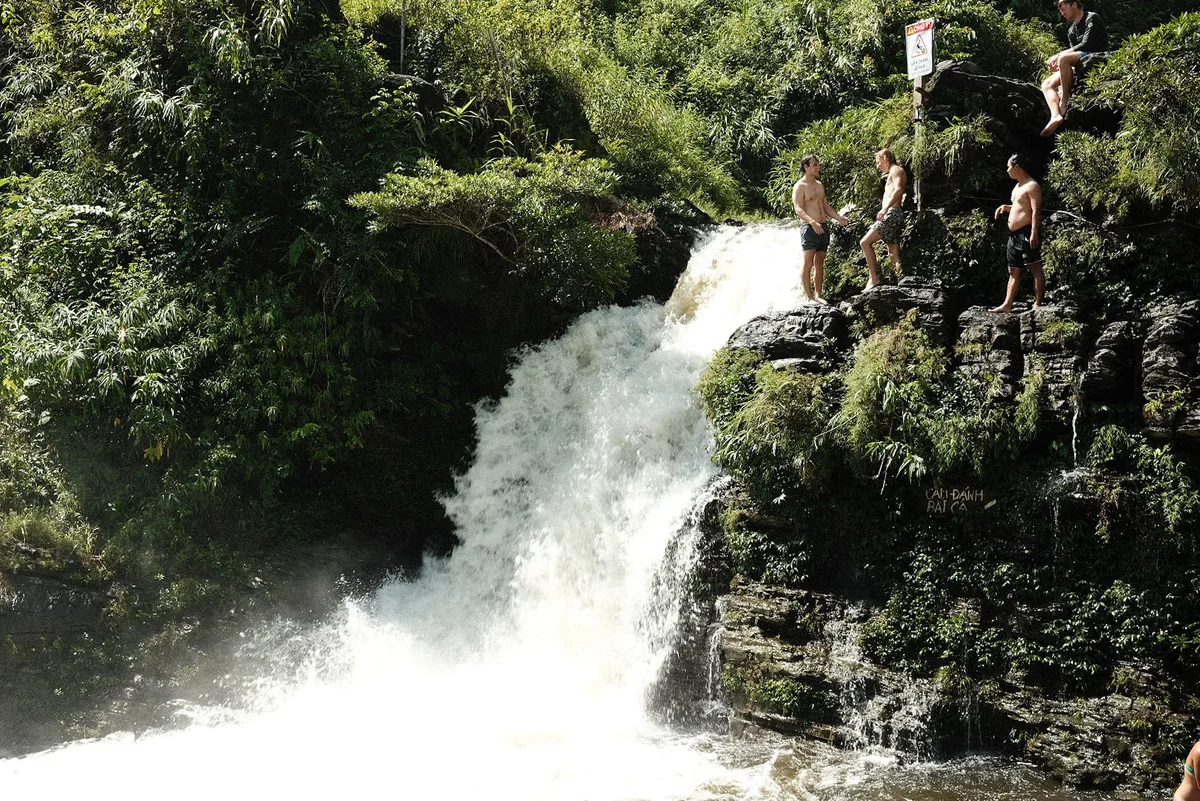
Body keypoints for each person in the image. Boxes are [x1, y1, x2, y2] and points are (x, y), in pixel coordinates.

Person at [1041, 0, 1108, 136]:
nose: (1061, 12)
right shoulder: (1071, 30)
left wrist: (1060, 56)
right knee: (1046, 84)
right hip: (1079, 61)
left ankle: (1064, 101)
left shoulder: (1091, 18)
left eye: (1063, 7)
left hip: (1096, 55)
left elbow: (1087, 44)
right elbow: (1072, 54)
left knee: (1064, 59)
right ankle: (1055, 115)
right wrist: (1059, 65)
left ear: (1074, 4)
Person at [989, 154, 1045, 313]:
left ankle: (1038, 304)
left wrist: (1034, 233)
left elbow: (1036, 211)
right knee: (1013, 270)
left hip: (1027, 232)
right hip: (1014, 236)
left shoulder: (1032, 185)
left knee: (1035, 267)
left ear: (1017, 166)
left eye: (1009, 166)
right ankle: (1007, 304)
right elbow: (1020, 206)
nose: (1007, 170)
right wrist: (1007, 208)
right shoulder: (1018, 186)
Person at [792, 154, 851, 303]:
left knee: (820, 262)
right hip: (809, 228)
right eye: (814, 165)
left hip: (823, 227)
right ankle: (810, 297)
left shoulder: (819, 185)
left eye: (818, 164)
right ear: (806, 167)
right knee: (808, 263)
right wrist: (812, 222)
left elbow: (825, 207)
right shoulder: (800, 186)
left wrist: (838, 218)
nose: (818, 167)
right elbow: (798, 209)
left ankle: (818, 295)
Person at [859, 148, 906, 291]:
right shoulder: (893, 172)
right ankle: (901, 280)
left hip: (892, 213)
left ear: (885, 158)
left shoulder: (896, 170)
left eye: (878, 161)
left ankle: (874, 279)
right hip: (893, 213)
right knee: (892, 249)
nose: (878, 165)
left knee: (865, 242)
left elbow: (899, 190)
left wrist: (885, 209)